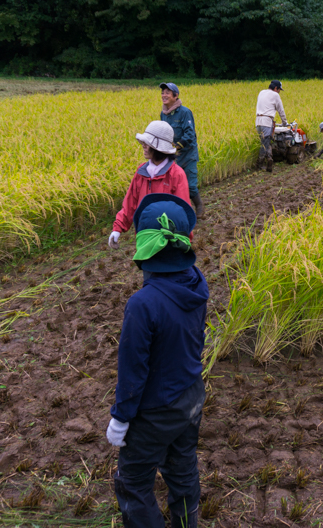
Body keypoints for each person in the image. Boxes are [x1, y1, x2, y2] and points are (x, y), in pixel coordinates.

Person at [106, 192, 208, 528]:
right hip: (191, 395)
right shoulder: (197, 283)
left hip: (155, 411)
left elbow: (132, 371)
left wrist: (121, 418)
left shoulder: (143, 304)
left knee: (133, 482)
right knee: (182, 468)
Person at [108, 121, 190, 250]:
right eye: (144, 143)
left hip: (168, 241)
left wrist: (185, 241)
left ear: (158, 148)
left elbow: (183, 211)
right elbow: (130, 203)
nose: (143, 146)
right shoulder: (141, 172)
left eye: (148, 144)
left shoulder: (176, 174)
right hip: (144, 238)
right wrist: (117, 229)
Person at [159, 82, 205, 219]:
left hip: (188, 154)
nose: (164, 95)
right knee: (174, 187)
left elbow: (190, 135)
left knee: (190, 186)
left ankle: (200, 206)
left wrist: (176, 146)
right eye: (162, 93)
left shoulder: (185, 112)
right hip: (173, 156)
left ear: (175, 96)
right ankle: (182, 213)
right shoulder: (163, 114)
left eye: (167, 92)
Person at [255, 80, 289, 173]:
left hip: (258, 121)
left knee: (266, 141)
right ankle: (260, 164)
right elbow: (281, 110)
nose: (279, 92)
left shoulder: (261, 92)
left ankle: (270, 159)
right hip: (267, 121)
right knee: (265, 144)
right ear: (275, 88)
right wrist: (285, 123)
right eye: (279, 90)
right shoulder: (275, 95)